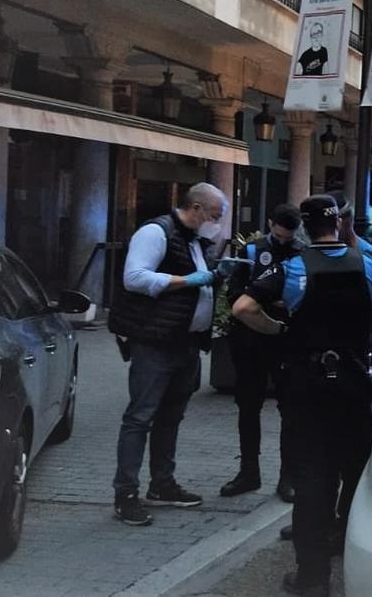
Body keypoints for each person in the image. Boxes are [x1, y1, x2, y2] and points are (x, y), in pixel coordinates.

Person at [233, 195, 372, 596]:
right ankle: (354, 560)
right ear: (337, 224)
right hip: (354, 388)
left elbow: (243, 308)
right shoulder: (370, 266)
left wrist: (280, 330)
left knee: (311, 479)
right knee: (354, 474)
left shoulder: (292, 269)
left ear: (304, 227)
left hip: (307, 387)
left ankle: (312, 578)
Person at [108, 183, 228, 526]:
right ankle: (126, 493)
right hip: (155, 342)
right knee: (140, 417)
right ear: (196, 208)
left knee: (170, 416)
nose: (216, 223)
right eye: (215, 216)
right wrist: (189, 280)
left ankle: (162, 483)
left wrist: (213, 277)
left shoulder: (193, 240)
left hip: (184, 342)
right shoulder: (156, 232)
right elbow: (135, 278)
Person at [220, 205, 305, 501]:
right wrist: (266, 298)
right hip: (250, 340)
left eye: (289, 235)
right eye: (279, 233)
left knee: (290, 409)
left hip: (285, 342)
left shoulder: (302, 252)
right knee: (248, 406)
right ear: (270, 223)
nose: (284, 239)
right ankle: (248, 472)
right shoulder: (254, 250)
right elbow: (235, 293)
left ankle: (288, 476)